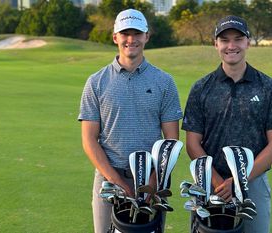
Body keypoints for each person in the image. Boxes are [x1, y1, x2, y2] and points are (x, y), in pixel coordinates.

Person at [78, 9, 183, 233]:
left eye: (137, 33)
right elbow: (89, 140)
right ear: (115, 37)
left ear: (147, 36)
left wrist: (155, 180)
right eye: (125, 33)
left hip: (153, 177)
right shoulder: (96, 82)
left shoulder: (164, 82)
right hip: (108, 175)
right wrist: (116, 180)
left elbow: (171, 140)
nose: (131, 39)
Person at [182, 15, 272, 233]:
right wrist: (221, 183)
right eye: (224, 40)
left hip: (253, 181)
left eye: (238, 39)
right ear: (216, 44)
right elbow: (193, 144)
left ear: (248, 42)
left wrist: (239, 181)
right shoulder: (201, 88)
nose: (231, 46)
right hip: (210, 182)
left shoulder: (269, 87)